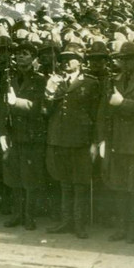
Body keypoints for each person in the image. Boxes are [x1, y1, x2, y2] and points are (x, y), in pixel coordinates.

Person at [96, 42, 134, 243]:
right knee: (119, 187)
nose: (126, 63)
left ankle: (133, 230)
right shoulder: (114, 81)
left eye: (130, 59)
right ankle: (122, 228)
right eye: (123, 60)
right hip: (117, 141)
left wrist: (123, 103)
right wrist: (102, 139)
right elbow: (104, 113)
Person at [44, 41, 101, 239]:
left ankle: (79, 224)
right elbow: (46, 112)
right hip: (59, 139)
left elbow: (96, 115)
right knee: (65, 183)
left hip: (80, 140)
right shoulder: (55, 82)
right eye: (63, 59)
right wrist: (50, 91)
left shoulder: (91, 83)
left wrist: (95, 142)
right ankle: (66, 221)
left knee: (80, 184)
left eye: (71, 58)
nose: (66, 62)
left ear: (80, 61)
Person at [0, 39, 47, 230]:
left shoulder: (40, 79)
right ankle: (16, 214)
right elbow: (3, 109)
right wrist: (2, 133)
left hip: (31, 134)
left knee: (30, 177)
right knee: (14, 176)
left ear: (34, 58)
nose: (20, 57)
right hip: (13, 134)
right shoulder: (9, 78)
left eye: (25, 54)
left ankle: (29, 215)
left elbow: (40, 108)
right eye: (18, 54)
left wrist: (16, 102)